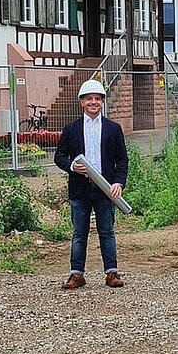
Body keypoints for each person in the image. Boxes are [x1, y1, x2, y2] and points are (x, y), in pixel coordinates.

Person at [54, 79, 128, 289]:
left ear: (102, 102)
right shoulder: (71, 129)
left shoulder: (113, 129)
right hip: (80, 188)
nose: (93, 102)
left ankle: (111, 273)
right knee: (79, 232)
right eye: (89, 99)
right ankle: (77, 274)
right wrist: (71, 167)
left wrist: (118, 183)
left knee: (107, 231)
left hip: (106, 189)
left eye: (97, 99)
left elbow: (122, 160)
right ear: (82, 102)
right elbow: (59, 156)